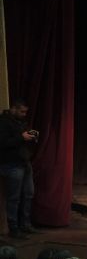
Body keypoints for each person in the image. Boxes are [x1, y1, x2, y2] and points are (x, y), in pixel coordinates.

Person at [0, 97, 37, 239]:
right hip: (11, 164)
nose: (24, 114)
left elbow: (22, 138)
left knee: (28, 194)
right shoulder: (3, 122)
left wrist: (31, 136)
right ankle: (13, 228)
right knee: (14, 197)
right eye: (22, 111)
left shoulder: (20, 122)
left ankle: (26, 225)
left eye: (25, 112)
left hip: (24, 162)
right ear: (13, 109)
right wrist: (21, 137)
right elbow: (3, 142)